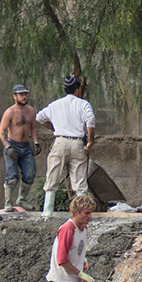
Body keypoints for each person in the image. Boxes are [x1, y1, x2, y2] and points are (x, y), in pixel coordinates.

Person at [36, 75, 96, 216]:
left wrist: (55, 128)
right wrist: (90, 142)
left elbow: (39, 117)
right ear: (77, 89)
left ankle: (47, 213)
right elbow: (91, 122)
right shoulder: (83, 104)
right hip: (77, 143)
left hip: (60, 141)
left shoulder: (56, 104)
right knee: (80, 181)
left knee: (52, 176)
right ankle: (81, 214)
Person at [0, 84, 40, 211]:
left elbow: (33, 128)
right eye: (21, 94)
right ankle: (8, 203)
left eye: (25, 94)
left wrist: (36, 142)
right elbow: (1, 131)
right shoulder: (10, 112)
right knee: (12, 176)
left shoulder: (31, 110)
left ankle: (22, 199)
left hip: (26, 147)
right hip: (12, 145)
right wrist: (8, 147)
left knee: (30, 174)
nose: (24, 96)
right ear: (14, 96)